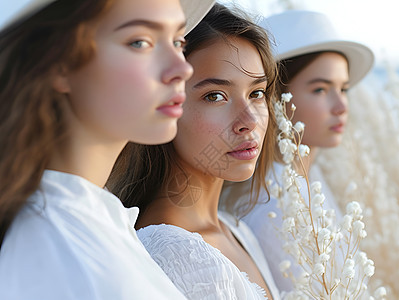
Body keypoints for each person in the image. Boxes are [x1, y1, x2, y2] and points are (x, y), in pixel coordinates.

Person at [0, 0, 214, 299]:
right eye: (140, 42)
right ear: (58, 63)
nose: (182, 68)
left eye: (178, 41)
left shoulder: (92, 222)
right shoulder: (52, 248)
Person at [107, 3, 281, 299]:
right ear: (166, 104)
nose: (249, 121)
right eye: (215, 96)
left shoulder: (235, 230)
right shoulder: (174, 256)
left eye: (256, 93)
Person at [220, 10, 374, 294]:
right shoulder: (274, 202)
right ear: (275, 97)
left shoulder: (308, 178)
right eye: (320, 89)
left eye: (344, 89)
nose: (341, 106)